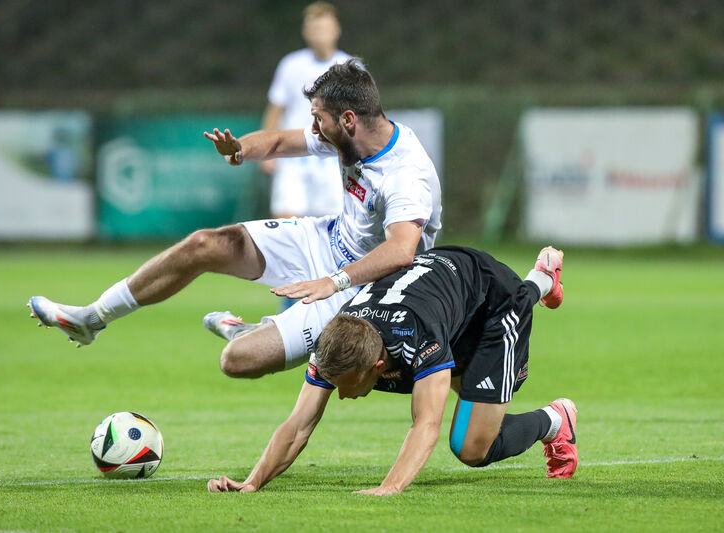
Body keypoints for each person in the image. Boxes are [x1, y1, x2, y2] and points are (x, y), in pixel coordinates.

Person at [28, 59, 442, 380]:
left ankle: (255, 333)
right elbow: (279, 140)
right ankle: (91, 319)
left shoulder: (406, 174)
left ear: (349, 119)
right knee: (204, 244)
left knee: (237, 361)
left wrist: (333, 281)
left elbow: (402, 251)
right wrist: (239, 149)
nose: (315, 127)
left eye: (319, 118)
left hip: (362, 285)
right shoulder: (350, 131)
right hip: (325, 238)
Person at [207, 245, 577, 495]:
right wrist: (252, 483)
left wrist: (391, 487)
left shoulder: (419, 337)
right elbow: (299, 424)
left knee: (472, 447)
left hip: (492, 306)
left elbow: (426, 423)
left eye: (347, 386)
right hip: (445, 296)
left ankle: (540, 286)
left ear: (377, 365)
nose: (340, 395)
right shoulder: (335, 341)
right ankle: (541, 282)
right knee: (468, 408)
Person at [262, 2, 351, 220]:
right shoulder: (290, 64)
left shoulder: (350, 67)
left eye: (324, 28)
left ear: (336, 30)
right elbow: (275, 109)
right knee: (286, 224)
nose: (319, 35)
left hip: (332, 158)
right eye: (314, 29)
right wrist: (268, 152)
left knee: (333, 224)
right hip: (294, 156)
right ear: (305, 32)